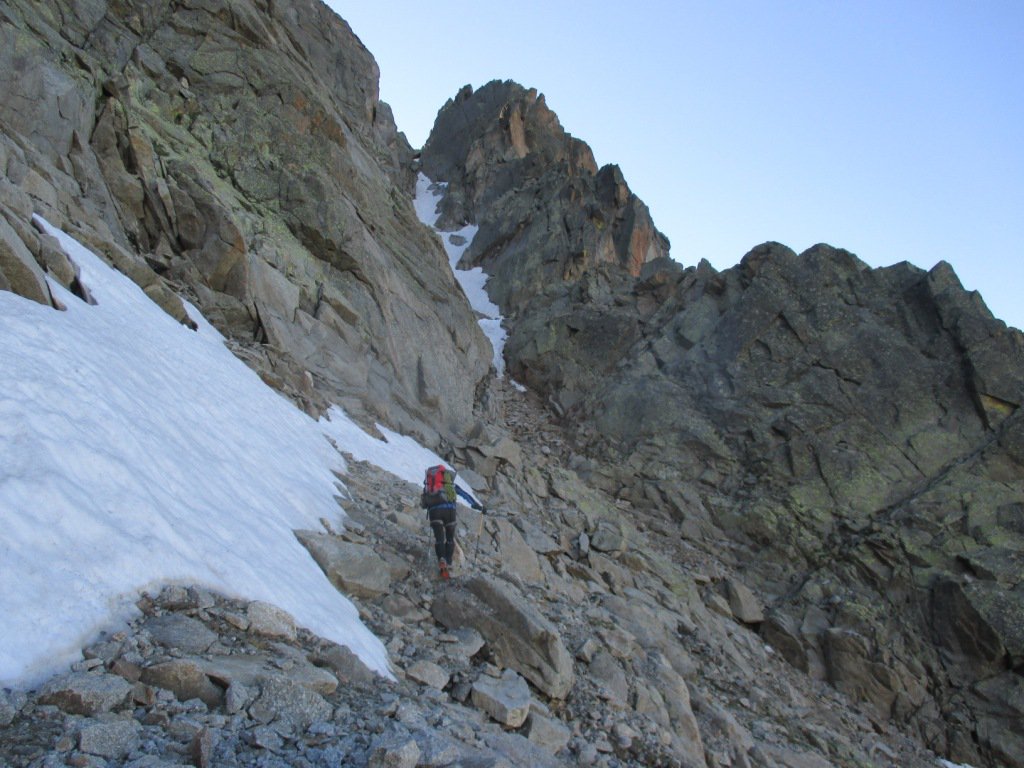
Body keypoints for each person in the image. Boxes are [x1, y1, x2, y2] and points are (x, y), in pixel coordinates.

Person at [420, 465, 484, 580]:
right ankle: (448, 563)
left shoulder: (429, 487)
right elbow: (465, 495)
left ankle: (442, 560)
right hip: (449, 511)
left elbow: (423, 504)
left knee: (439, 539)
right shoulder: (450, 485)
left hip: (435, 513)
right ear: (446, 475)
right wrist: (477, 506)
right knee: (449, 538)